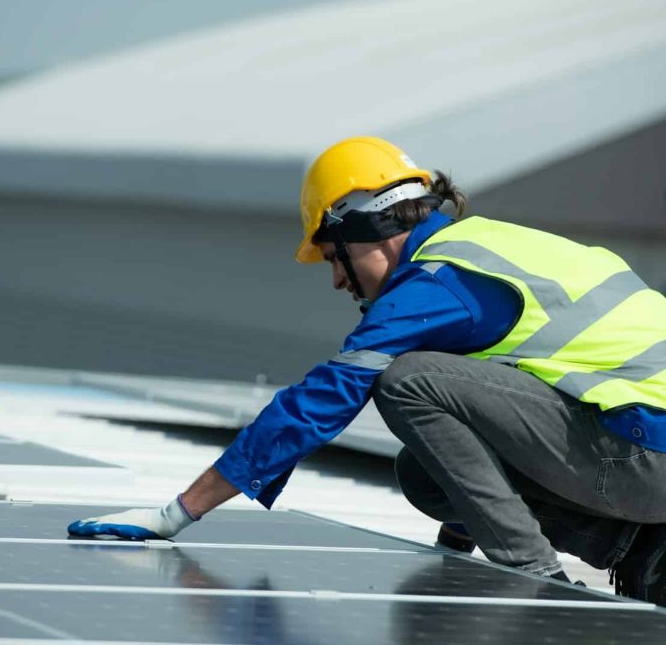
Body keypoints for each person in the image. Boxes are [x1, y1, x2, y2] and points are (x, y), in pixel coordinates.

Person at [68, 136, 666, 605]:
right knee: (426, 472)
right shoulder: (489, 248)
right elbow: (487, 426)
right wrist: (455, 550)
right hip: (637, 451)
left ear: (367, 229)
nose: (335, 279)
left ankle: (538, 580)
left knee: (407, 379)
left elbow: (323, 398)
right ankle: (637, 549)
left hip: (644, 458)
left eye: (335, 257)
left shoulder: (436, 283)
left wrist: (178, 512)